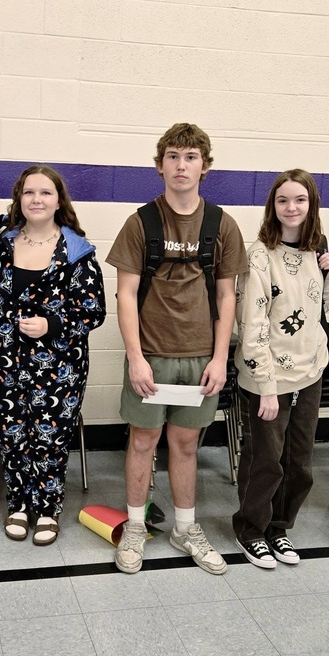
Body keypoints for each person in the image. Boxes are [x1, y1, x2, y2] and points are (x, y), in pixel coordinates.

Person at [106, 122, 248, 575]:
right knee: (143, 440)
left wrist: (221, 358)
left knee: (186, 445)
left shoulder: (222, 224)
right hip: (151, 355)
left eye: (190, 157)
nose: (181, 165)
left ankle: (185, 527)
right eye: (172, 156)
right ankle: (133, 525)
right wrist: (135, 357)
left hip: (201, 358)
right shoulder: (140, 223)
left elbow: (228, 296)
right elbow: (125, 294)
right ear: (160, 165)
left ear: (204, 166)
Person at [0, 165, 106, 545]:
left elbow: (93, 310)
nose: (37, 199)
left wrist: (51, 324)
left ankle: (49, 508)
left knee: (50, 436)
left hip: (61, 366)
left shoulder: (76, 250)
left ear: (59, 201)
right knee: (12, 431)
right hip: (5, 361)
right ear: (19, 199)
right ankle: (19, 504)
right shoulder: (0, 241)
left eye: (46, 193)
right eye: (29, 192)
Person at [232, 169, 329, 569]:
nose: (291, 208)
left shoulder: (316, 250)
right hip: (268, 378)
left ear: (311, 206)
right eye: (283, 200)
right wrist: (267, 387)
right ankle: (251, 529)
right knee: (265, 460)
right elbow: (252, 328)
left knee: (300, 462)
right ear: (272, 207)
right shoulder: (259, 257)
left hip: (310, 372)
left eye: (300, 200)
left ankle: (279, 527)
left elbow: (320, 309)